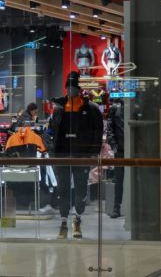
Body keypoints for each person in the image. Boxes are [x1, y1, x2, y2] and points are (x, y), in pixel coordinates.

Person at [50, 71, 103, 239]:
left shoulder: (91, 109)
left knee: (81, 191)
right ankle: (63, 223)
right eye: (68, 87)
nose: (70, 90)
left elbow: (98, 132)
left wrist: (93, 153)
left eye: (73, 87)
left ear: (79, 89)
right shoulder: (59, 109)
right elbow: (50, 131)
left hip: (82, 155)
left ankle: (77, 219)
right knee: (63, 190)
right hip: (62, 155)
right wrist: (51, 150)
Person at [106, 100, 125, 218]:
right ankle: (116, 207)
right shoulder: (115, 108)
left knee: (136, 179)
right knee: (119, 180)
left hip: (133, 150)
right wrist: (113, 144)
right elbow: (109, 128)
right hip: (120, 150)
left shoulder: (135, 107)